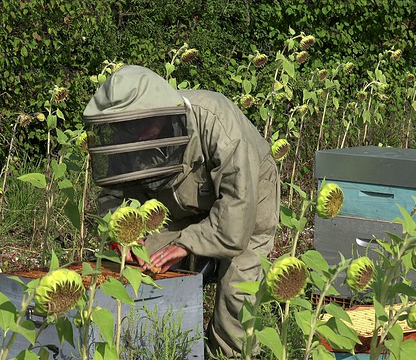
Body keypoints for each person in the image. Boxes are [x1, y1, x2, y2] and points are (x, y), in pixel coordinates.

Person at [82, 65, 280, 358]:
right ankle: (151, 345)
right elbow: (114, 192)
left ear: (160, 111)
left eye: (138, 126)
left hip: (248, 197)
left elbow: (237, 213)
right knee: (138, 266)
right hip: (173, 205)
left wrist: (186, 244)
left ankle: (229, 354)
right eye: (125, 127)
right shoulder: (129, 133)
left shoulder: (217, 122)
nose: (133, 136)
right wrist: (123, 235)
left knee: (237, 293)